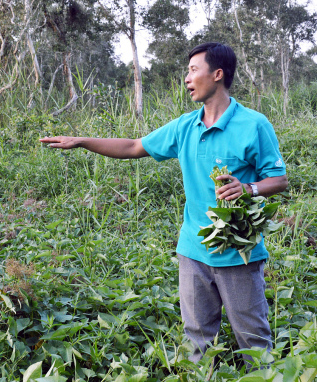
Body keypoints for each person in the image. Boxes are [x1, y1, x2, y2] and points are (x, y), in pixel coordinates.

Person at [39, 42, 288, 365]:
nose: (187, 78)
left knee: (253, 341)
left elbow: (279, 180)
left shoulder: (254, 125)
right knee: (196, 340)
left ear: (217, 74)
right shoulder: (185, 126)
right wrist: (82, 141)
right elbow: (132, 146)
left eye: (193, 70)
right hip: (193, 251)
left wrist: (249, 188)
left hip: (239, 255)